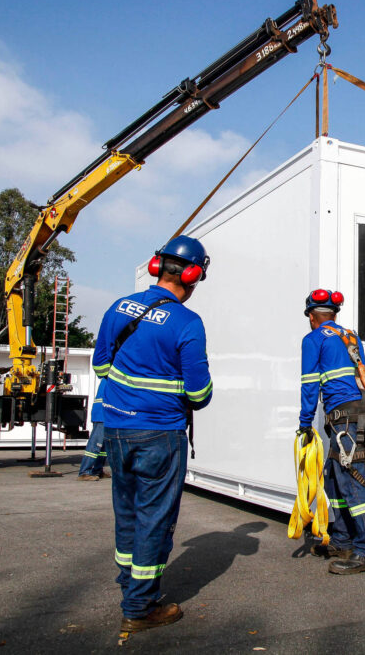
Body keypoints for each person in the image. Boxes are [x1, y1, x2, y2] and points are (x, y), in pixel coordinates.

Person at [92, 235, 213, 633]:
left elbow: (100, 368)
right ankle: (140, 607)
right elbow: (199, 393)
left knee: (126, 513)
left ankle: (129, 584)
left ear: (157, 266)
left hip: (117, 430)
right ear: (193, 275)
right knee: (154, 520)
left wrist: (130, 392)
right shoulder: (187, 322)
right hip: (160, 435)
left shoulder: (118, 307)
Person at [299, 288, 365, 574]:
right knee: (334, 480)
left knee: (352, 483)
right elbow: (363, 376)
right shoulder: (350, 336)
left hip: (344, 419)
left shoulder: (313, 339)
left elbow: (309, 385)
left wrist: (304, 424)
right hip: (355, 415)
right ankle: (343, 540)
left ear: (312, 317)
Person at [77, 377, 109, 481]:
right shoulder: (111, 377)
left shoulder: (109, 377)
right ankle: (84, 472)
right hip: (102, 414)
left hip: (105, 414)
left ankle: (98, 470)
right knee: (96, 443)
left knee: (104, 446)